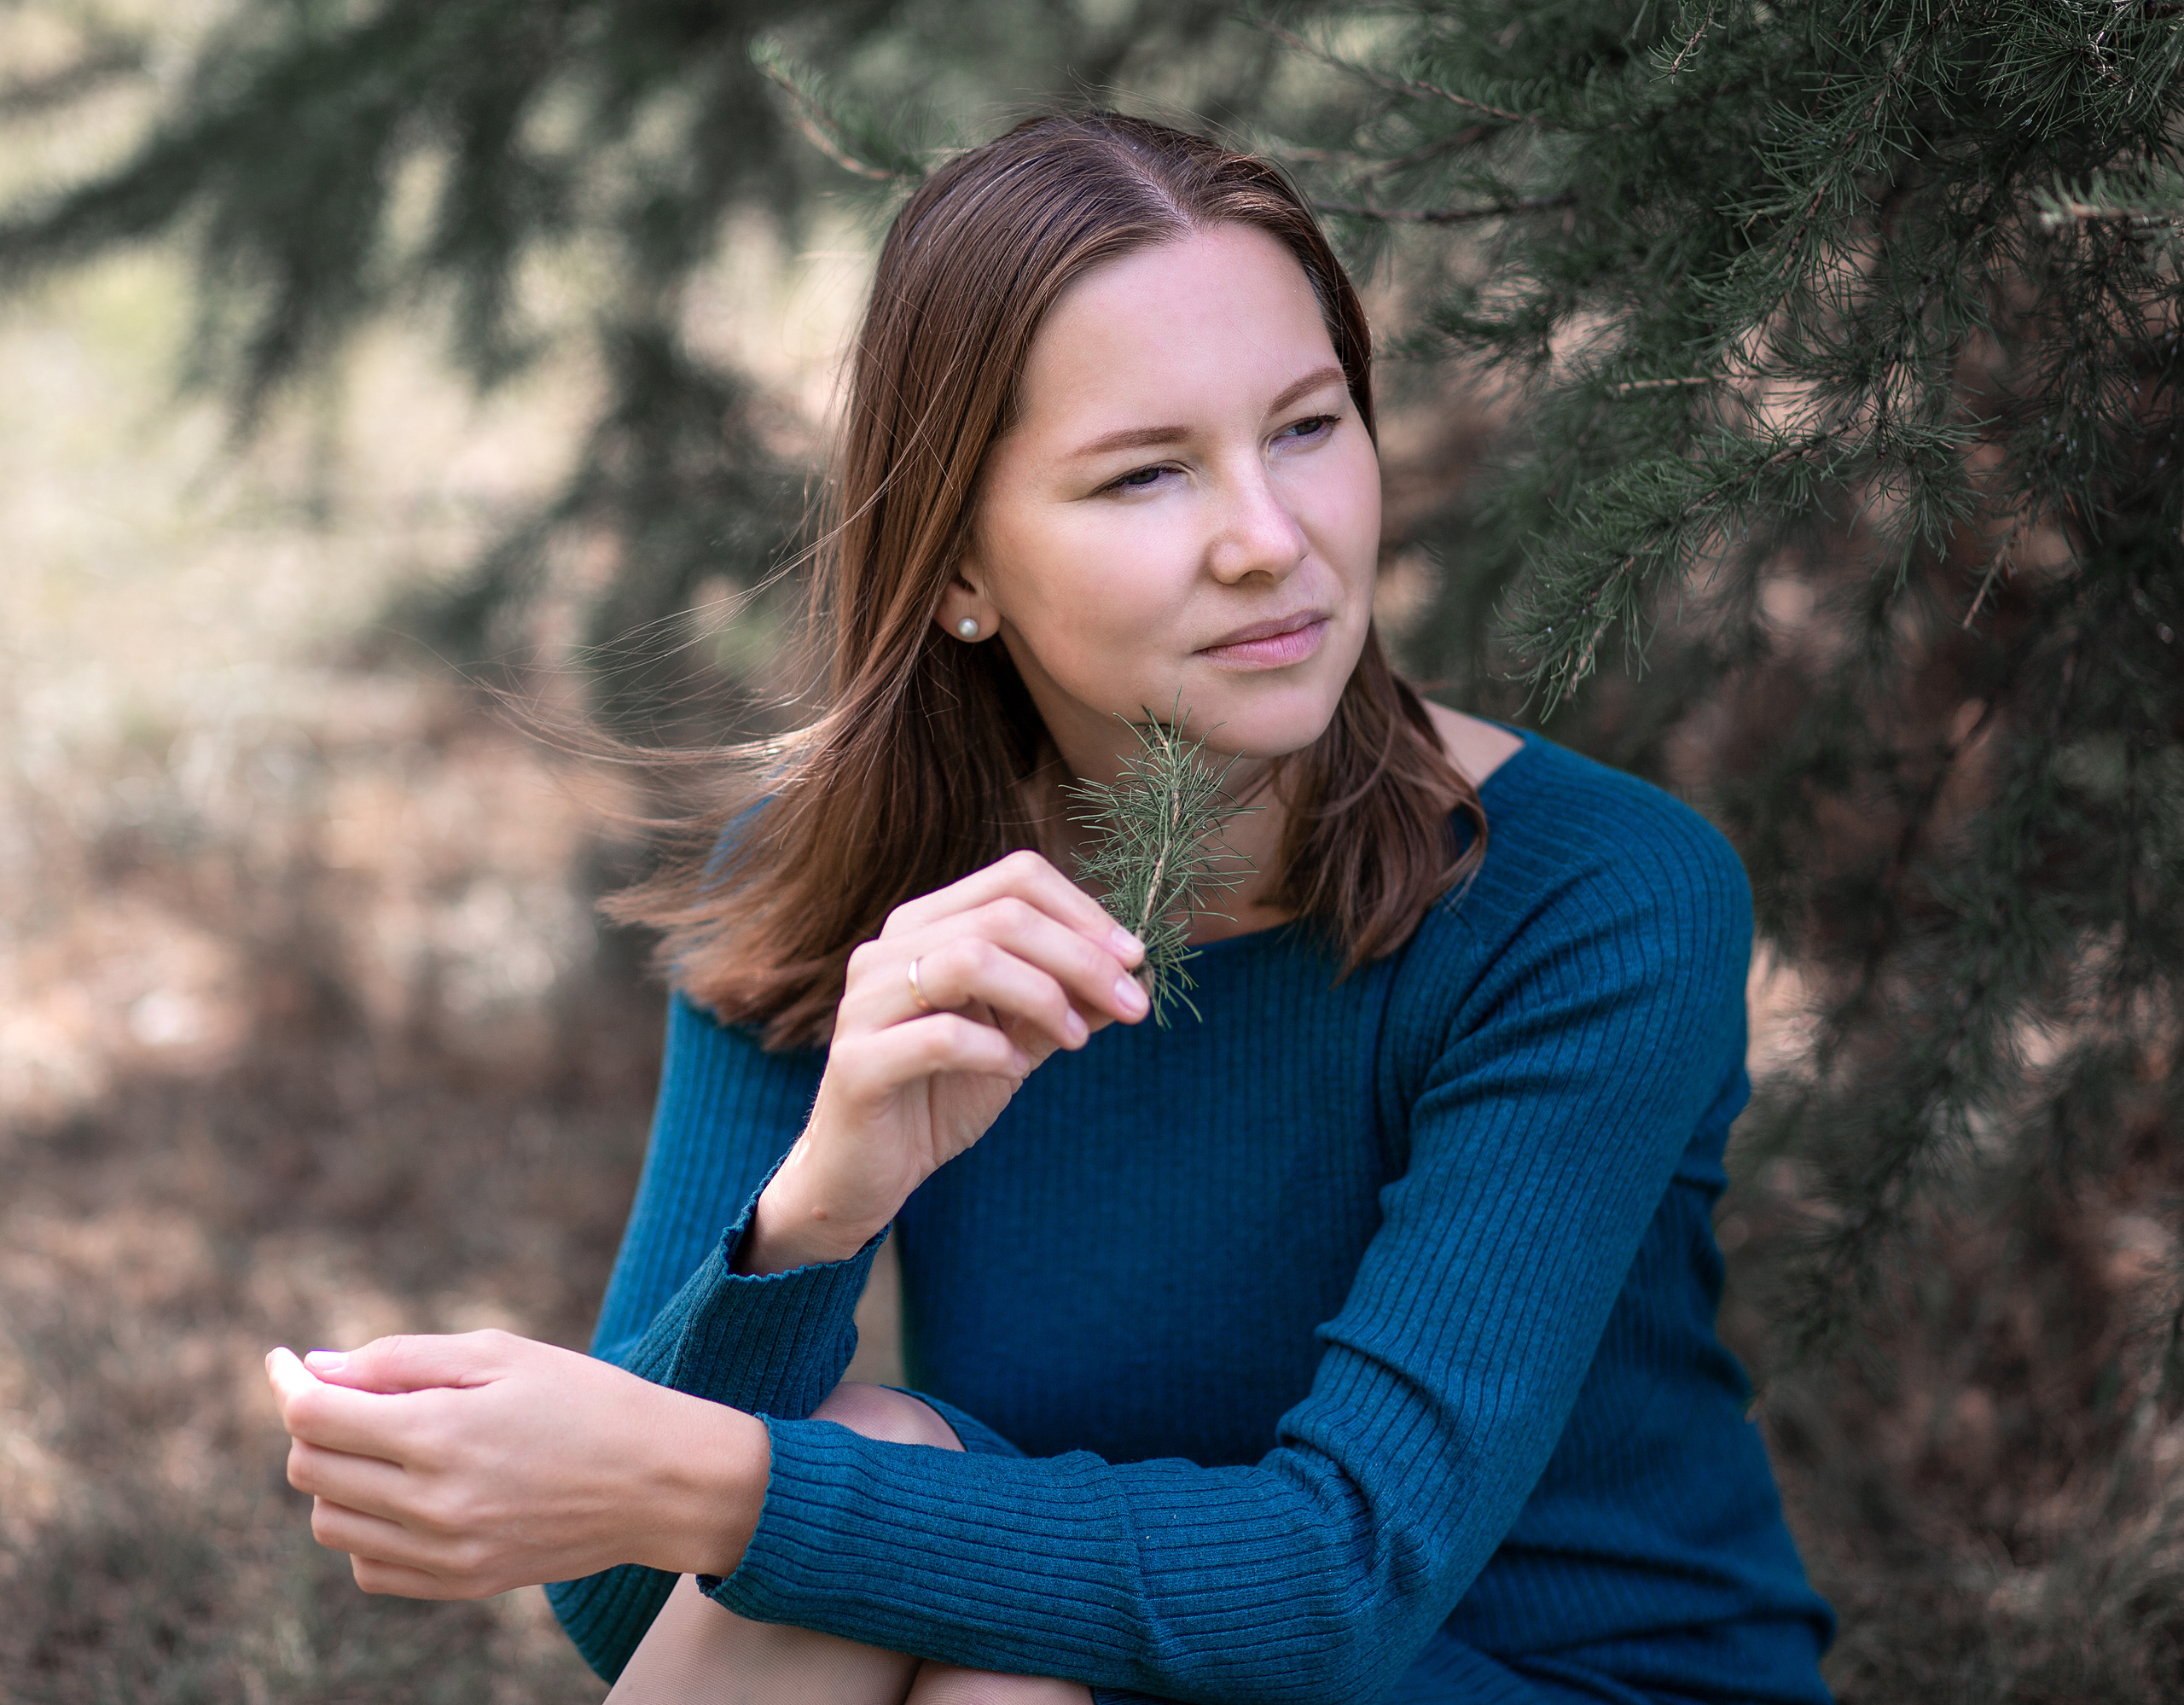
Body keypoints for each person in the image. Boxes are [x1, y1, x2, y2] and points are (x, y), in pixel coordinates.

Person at [264, 111, 1836, 1703]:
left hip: (1552, 1678)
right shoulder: (835, 903)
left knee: (937, 1586)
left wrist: (730, 1480)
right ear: (959, 567)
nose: (1270, 542)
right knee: (922, 1563)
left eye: (1307, 427)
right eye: (1147, 472)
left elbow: (1341, 1575)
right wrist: (818, 1207)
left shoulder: (1591, 898)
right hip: (1094, 1661)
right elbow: (630, 1605)